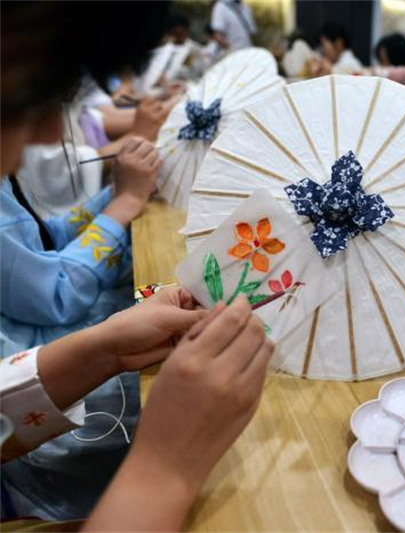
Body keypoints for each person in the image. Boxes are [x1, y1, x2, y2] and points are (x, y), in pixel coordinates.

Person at [0, 2, 272, 529]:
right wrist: (163, 469)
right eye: (21, 99)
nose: (46, 132)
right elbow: (54, 290)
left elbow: (38, 239)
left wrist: (105, 348)